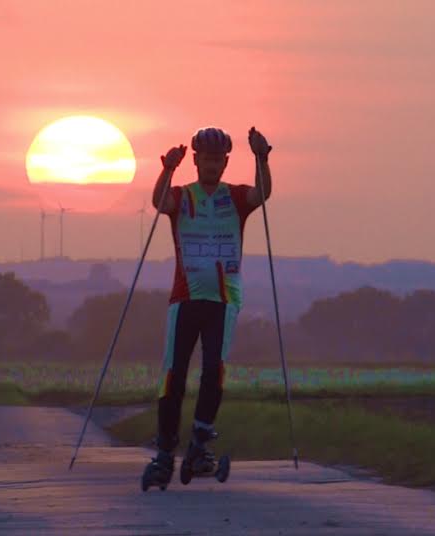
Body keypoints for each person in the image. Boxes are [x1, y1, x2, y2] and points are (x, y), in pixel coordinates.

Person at [142, 125, 272, 486]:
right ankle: (166, 449)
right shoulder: (184, 196)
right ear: (196, 160)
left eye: (218, 159)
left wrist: (262, 158)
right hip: (184, 298)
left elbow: (263, 193)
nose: (212, 164)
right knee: (174, 374)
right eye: (207, 159)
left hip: (224, 299)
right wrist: (167, 168)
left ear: (226, 161)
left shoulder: (235, 197)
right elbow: (159, 203)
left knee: (214, 369)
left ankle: (200, 443)